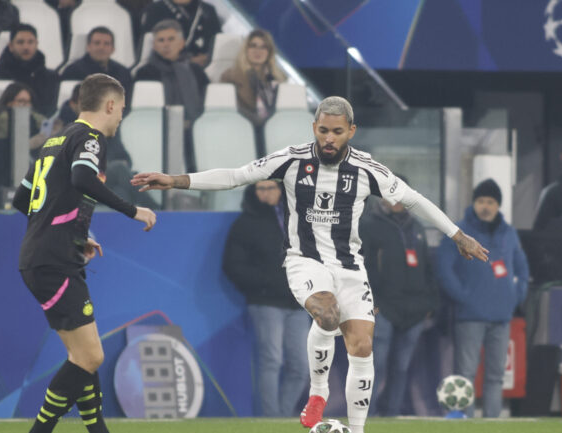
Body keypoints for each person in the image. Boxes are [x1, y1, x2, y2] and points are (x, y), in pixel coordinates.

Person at [130, 96, 488, 432]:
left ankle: (358, 429)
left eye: (336, 132)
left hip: (350, 267)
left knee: (362, 346)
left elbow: (415, 201)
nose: (329, 139)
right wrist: (176, 180)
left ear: (351, 131)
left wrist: (458, 235)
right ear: (314, 127)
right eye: (322, 130)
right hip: (305, 261)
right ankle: (318, 393)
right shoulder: (290, 160)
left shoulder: (367, 170)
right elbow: (236, 176)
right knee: (327, 314)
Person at [11, 73, 157, 433]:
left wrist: (77, 233)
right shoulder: (89, 138)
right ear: (109, 105)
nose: (121, 116)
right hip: (54, 260)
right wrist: (131, 209)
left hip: (45, 256)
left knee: (82, 358)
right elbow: (82, 179)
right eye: (121, 109)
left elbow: (20, 199)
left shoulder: (53, 140)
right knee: (90, 356)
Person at [435, 179, 529, 418]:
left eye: (490, 202)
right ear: (473, 203)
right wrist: (464, 297)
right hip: (470, 316)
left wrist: (515, 297)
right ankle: (464, 421)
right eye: (481, 201)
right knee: (466, 373)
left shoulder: (509, 233)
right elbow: (444, 270)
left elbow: (522, 268)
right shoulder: (458, 232)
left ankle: (492, 423)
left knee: (496, 375)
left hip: (502, 316)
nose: (485, 206)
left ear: (498, 205)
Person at [223, 180, 310, 417]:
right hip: (265, 303)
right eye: (261, 189)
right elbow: (233, 265)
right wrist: (264, 284)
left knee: (302, 366)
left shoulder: (296, 219)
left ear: (281, 189)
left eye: (271, 187)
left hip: (298, 303)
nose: (267, 193)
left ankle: (282, 417)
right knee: (272, 361)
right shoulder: (245, 224)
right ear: (254, 192)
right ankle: (271, 419)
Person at [358, 178, 438, 416]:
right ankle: (366, 418)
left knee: (401, 368)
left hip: (414, 310)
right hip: (382, 309)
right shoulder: (368, 225)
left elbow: (428, 269)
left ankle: (390, 417)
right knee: (375, 367)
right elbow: (359, 267)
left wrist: (429, 304)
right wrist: (369, 303)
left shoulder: (418, 227)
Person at [135, 19, 208, 172]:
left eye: (171, 39)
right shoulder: (145, 73)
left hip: (195, 134)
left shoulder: (196, 71)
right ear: (154, 45)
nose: (166, 44)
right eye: (161, 40)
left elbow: (207, 105)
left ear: (181, 43)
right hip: (158, 135)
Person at [0, 81, 48, 207]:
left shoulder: (38, 122)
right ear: (9, 102)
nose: (25, 106)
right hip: (5, 181)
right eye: (21, 101)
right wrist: (25, 146)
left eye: (28, 102)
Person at [220, 29, 285, 156]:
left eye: (263, 47)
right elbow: (230, 111)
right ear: (246, 50)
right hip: (242, 133)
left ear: (269, 52)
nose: (258, 51)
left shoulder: (279, 79)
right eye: (253, 46)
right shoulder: (230, 77)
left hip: (275, 136)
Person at [0, 23, 59, 115]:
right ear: (11, 46)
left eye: (30, 42)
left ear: (36, 44)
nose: (26, 47)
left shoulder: (51, 77)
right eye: (20, 42)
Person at [61, 26, 133, 109]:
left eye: (106, 44)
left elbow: (126, 104)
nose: (101, 47)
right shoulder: (72, 71)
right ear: (88, 47)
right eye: (97, 43)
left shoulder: (123, 73)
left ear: (113, 49)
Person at [140, 0, 221, 66]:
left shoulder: (208, 10)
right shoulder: (155, 10)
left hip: (202, 69)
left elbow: (216, 44)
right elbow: (149, 46)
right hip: (162, 68)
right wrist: (186, 61)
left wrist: (208, 58)